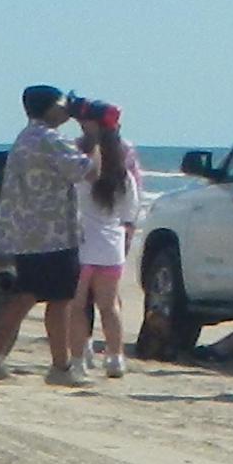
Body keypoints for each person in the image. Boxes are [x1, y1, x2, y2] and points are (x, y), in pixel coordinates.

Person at [0, 83, 91, 381]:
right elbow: (85, 171)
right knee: (61, 299)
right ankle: (60, 366)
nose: (66, 109)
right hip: (53, 232)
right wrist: (95, 136)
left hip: (26, 232)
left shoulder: (27, 136)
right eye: (62, 104)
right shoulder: (50, 138)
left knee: (25, 294)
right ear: (50, 107)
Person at [72, 100, 140, 376]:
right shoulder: (124, 176)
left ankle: (76, 359)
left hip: (82, 242)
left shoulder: (81, 170)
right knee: (109, 306)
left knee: (76, 306)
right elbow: (129, 212)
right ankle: (115, 357)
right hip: (111, 245)